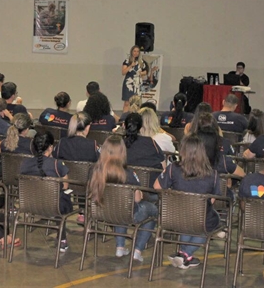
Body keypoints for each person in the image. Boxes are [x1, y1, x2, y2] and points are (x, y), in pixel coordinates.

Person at [154, 134, 221, 269]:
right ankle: (186, 253)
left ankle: (183, 254)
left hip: (175, 216)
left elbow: (156, 186)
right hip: (200, 218)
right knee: (208, 225)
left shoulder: (173, 168)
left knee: (187, 221)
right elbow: (213, 200)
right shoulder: (213, 174)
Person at [89, 135, 158, 262]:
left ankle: (120, 247)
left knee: (120, 210)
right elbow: (137, 199)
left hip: (101, 211)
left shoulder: (94, 171)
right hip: (127, 213)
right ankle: (137, 250)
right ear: (122, 152)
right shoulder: (129, 174)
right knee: (152, 212)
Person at [20, 132, 72, 252]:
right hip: (53, 205)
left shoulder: (24, 163)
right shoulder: (56, 164)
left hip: (29, 204)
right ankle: (62, 239)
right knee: (63, 196)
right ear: (50, 147)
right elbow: (65, 185)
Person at [124, 113, 165, 187]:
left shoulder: (119, 144)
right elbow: (163, 165)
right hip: (151, 188)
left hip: (126, 188)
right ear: (141, 127)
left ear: (124, 125)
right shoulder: (151, 142)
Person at [121, 45, 147, 113]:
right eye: (134, 51)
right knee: (127, 102)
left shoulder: (141, 62)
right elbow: (123, 72)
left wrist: (141, 73)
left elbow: (146, 71)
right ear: (132, 52)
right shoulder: (127, 61)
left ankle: (136, 117)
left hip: (137, 84)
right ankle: (124, 117)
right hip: (129, 83)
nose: (136, 53)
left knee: (137, 102)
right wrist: (130, 66)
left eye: (137, 51)